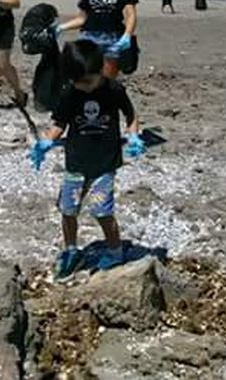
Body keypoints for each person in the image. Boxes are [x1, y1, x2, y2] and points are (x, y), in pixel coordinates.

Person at [30, 39, 146, 279]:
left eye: (88, 81)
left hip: (105, 162)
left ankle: (115, 251)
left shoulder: (114, 90)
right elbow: (59, 122)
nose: (84, 87)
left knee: (102, 210)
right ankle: (71, 249)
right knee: (68, 209)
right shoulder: (70, 93)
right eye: (78, 82)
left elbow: (131, 114)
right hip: (76, 162)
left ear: (101, 69)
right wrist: (46, 141)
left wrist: (133, 136)